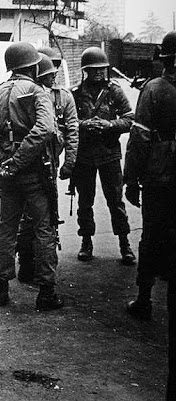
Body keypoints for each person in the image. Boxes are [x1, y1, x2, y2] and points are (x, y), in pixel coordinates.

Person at [0, 42, 63, 311]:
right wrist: (18, 161)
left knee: (6, 226)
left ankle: (1, 287)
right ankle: (46, 291)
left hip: (7, 173)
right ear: (32, 65)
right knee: (43, 228)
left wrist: (3, 163)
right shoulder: (37, 92)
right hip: (35, 171)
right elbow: (44, 130)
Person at [123, 30, 176, 400]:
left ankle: (144, 299)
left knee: (153, 234)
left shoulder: (155, 90)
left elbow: (139, 137)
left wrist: (131, 180)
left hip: (161, 174)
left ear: (164, 57)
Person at [16, 50, 79, 283]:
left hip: (50, 163)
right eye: (49, 70)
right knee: (32, 218)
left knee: (46, 216)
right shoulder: (29, 94)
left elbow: (72, 129)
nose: (53, 75)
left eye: (55, 69)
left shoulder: (64, 97)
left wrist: (69, 162)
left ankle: (37, 266)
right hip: (30, 164)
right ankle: (27, 263)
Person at [71, 47, 135, 265]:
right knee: (85, 201)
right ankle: (86, 242)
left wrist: (109, 125)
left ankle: (125, 244)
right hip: (85, 155)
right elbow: (67, 122)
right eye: (94, 69)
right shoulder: (76, 93)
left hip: (109, 154)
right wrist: (84, 125)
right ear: (86, 70)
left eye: (102, 69)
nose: (99, 73)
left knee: (116, 201)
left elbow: (129, 119)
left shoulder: (114, 91)